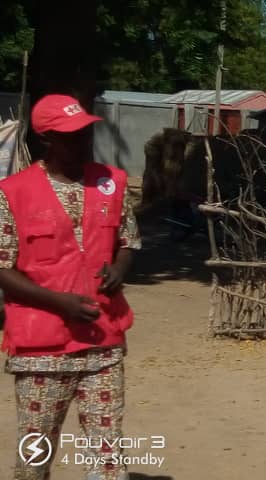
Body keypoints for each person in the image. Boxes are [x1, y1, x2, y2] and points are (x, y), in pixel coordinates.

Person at [3, 95, 139, 480]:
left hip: (102, 341)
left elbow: (128, 241)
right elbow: (2, 267)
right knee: (36, 455)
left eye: (85, 131)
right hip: (42, 349)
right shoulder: (13, 192)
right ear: (46, 139)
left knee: (107, 453)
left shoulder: (111, 183)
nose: (82, 140)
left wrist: (119, 268)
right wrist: (59, 303)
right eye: (71, 135)